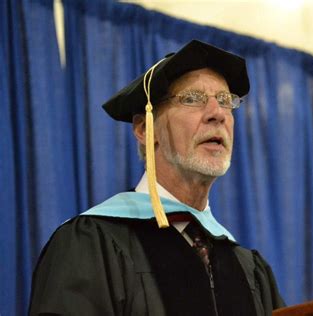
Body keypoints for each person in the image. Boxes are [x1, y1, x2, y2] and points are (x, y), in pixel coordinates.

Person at [29, 40, 285, 315]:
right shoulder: (92, 244)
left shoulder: (248, 267)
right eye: (192, 98)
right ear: (144, 128)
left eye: (225, 101)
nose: (218, 114)